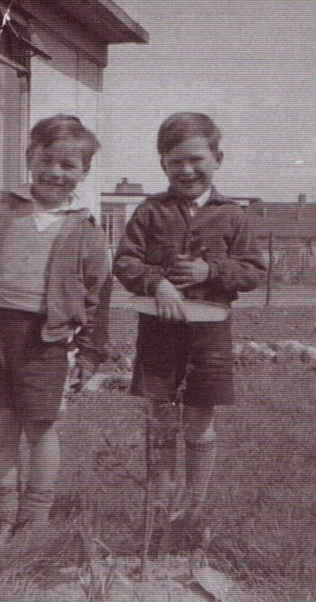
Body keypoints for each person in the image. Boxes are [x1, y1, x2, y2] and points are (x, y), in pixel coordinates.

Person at [0, 114, 111, 547]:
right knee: (1, 429)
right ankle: (3, 516)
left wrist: (89, 353)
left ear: (84, 173)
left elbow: (98, 294)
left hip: (46, 340)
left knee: (40, 429)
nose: (56, 172)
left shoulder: (85, 227)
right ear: (30, 158)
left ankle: (35, 519)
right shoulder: (3, 209)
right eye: (47, 160)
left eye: (68, 166)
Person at [113, 112, 266, 551]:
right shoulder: (149, 211)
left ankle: (192, 513)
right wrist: (156, 282)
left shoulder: (233, 216)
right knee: (161, 421)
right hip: (159, 332)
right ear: (162, 164)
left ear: (218, 160)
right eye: (175, 161)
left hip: (210, 334)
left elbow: (254, 270)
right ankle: (160, 513)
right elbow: (125, 261)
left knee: (199, 421)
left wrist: (210, 269)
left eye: (197, 160)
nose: (187, 171)